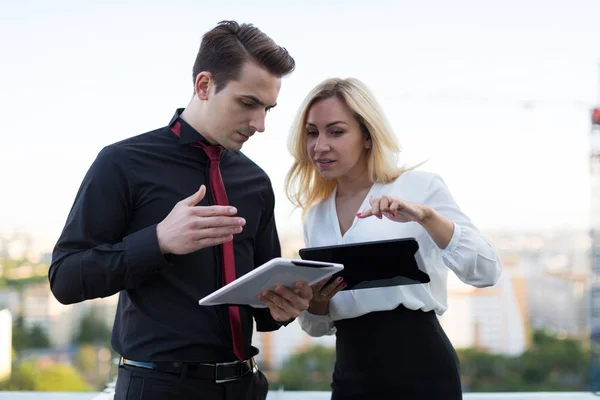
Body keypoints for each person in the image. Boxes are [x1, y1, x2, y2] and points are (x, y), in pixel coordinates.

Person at [49, 20, 313, 400]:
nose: (260, 124)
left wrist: (285, 308)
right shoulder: (122, 163)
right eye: (248, 103)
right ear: (204, 86)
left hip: (246, 388)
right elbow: (65, 279)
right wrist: (158, 241)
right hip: (158, 388)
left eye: (268, 108)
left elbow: (263, 308)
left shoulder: (256, 182)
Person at [284, 77, 502, 399]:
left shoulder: (420, 188)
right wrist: (316, 301)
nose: (320, 146)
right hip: (350, 377)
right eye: (312, 132)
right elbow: (316, 326)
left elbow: (486, 271)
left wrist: (428, 218)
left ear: (368, 136)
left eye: (336, 131)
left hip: (423, 373)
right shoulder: (316, 215)